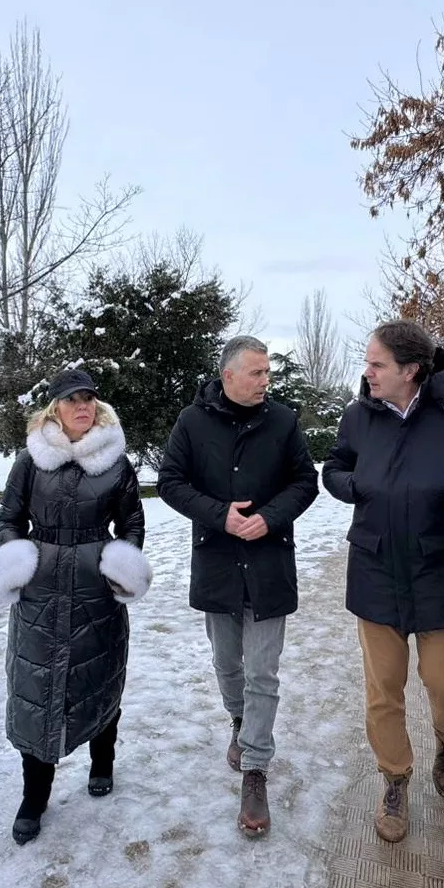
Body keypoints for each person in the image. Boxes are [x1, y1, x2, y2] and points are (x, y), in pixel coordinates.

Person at [323, 320, 444, 844]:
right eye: (369, 363)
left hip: (439, 568)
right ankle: (395, 779)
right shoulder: (358, 416)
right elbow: (334, 467)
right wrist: (352, 484)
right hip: (376, 567)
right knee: (383, 691)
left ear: (410, 369)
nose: (368, 372)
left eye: (377, 364)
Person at [157, 336, 318, 837]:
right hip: (218, 562)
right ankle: (238, 722)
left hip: (269, 564)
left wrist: (269, 519)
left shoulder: (283, 422)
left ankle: (255, 768)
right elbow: (169, 481)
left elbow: (304, 482)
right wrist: (218, 515)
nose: (265, 380)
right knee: (227, 662)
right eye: (256, 373)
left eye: (267, 372)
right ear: (227, 375)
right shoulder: (192, 421)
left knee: (263, 672)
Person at [0, 368, 152, 845]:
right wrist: (15, 558)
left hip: (96, 588)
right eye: (73, 399)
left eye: (90, 400)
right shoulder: (30, 461)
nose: (83, 407)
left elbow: (133, 522)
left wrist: (122, 564)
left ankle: (103, 761)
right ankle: (34, 795)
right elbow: (9, 517)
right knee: (35, 687)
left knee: (98, 676)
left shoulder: (117, 464)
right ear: (54, 407)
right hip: (39, 587)